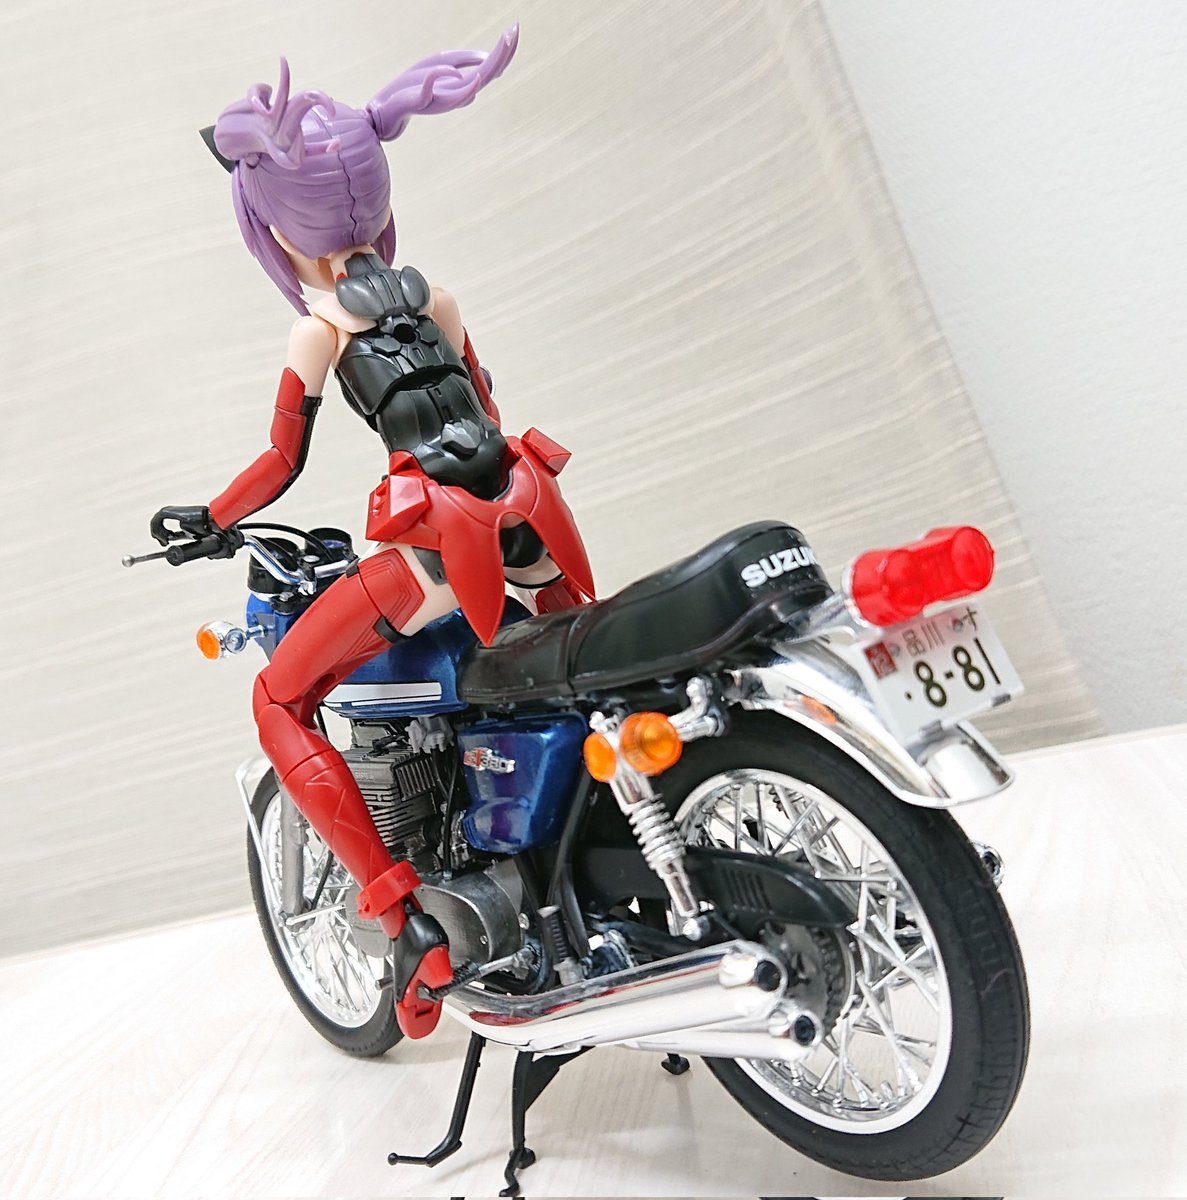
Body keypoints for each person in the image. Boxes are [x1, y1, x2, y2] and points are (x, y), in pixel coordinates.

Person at [151, 27, 595, 1038]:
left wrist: (207, 520)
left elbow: (280, 462)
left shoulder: (320, 327)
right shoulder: (437, 298)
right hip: (525, 513)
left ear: (273, 217)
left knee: (277, 697)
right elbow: (482, 411)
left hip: (432, 550)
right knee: (583, 673)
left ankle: (403, 922)